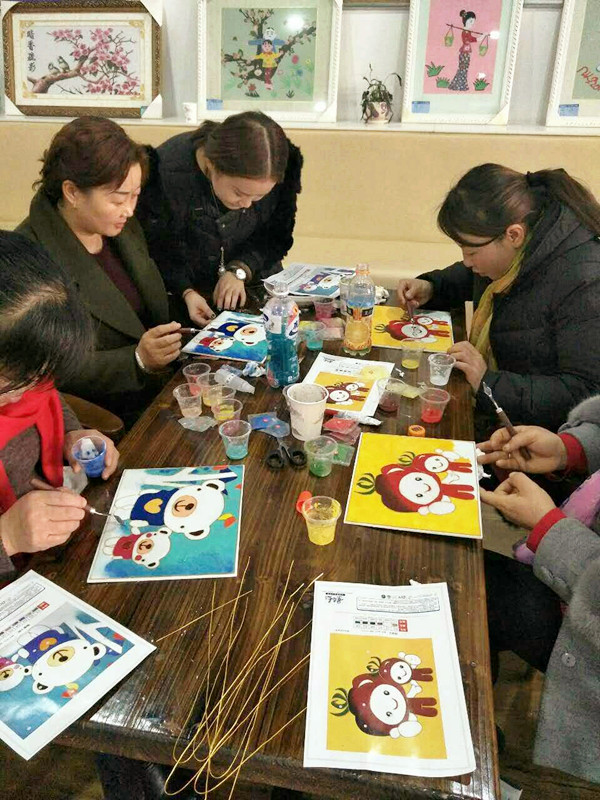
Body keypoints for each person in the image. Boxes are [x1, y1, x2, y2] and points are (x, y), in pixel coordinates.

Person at [397, 164, 600, 434]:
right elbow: (475, 276)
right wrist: (432, 286)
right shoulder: (529, 244)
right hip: (500, 412)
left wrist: (488, 381)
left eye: (471, 252)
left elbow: (584, 393)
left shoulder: (584, 281)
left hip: (540, 438)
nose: (466, 262)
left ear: (513, 235)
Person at [17, 117, 182, 425]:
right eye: (118, 199)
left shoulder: (118, 225)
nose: (129, 210)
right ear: (72, 192)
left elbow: (148, 308)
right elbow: (45, 367)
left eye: (135, 195)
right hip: (103, 417)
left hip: (162, 390)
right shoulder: (29, 258)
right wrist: (137, 360)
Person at [478, 400, 600, 785]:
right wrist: (571, 449)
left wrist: (551, 530)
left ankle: (475, 744)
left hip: (586, 627)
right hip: (571, 563)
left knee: (466, 596)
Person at [0, 231, 119, 583]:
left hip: (43, 550)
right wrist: (7, 536)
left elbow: (48, 395)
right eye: (14, 385)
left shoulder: (24, 379)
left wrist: (71, 433)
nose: (26, 394)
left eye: (37, 378)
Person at [135, 111, 303, 325]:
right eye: (239, 193)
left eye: (259, 197)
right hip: (188, 298)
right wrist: (185, 291)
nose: (247, 204)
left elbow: (275, 235)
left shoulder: (280, 166)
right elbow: (155, 248)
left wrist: (241, 269)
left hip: (256, 286)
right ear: (211, 164)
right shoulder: (164, 173)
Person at [448, 10, 478, 92]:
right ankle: (458, 85)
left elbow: (471, 39)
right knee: (463, 69)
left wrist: (481, 37)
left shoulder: (467, 31)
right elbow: (469, 40)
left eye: (473, 22)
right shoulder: (465, 32)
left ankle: (459, 85)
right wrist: (480, 38)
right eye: (470, 21)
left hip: (466, 53)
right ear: (465, 21)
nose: (472, 24)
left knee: (464, 69)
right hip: (464, 53)